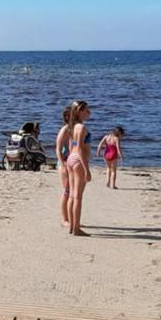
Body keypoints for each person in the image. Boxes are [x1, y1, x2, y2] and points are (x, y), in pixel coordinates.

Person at [64, 100, 93, 236]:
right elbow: (80, 148)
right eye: (87, 110)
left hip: (71, 158)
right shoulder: (80, 127)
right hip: (78, 160)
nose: (89, 112)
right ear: (80, 112)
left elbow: (71, 145)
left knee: (71, 195)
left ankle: (71, 226)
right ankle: (76, 228)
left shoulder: (72, 126)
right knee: (78, 197)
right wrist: (86, 169)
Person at [55, 106, 73, 227]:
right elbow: (58, 149)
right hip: (65, 162)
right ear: (67, 116)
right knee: (67, 191)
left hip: (72, 162)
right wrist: (63, 164)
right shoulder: (65, 129)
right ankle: (64, 219)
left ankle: (71, 217)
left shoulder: (74, 129)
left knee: (72, 191)